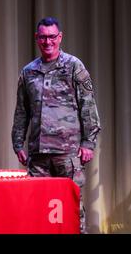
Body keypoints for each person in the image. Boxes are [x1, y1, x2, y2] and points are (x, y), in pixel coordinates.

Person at [11, 17, 101, 233]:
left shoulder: (73, 66)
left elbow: (88, 105)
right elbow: (22, 111)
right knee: (39, 209)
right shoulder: (28, 71)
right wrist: (18, 143)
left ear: (60, 37)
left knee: (71, 206)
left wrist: (89, 143)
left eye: (52, 36)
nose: (47, 41)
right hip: (38, 153)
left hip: (67, 153)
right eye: (43, 37)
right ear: (36, 39)